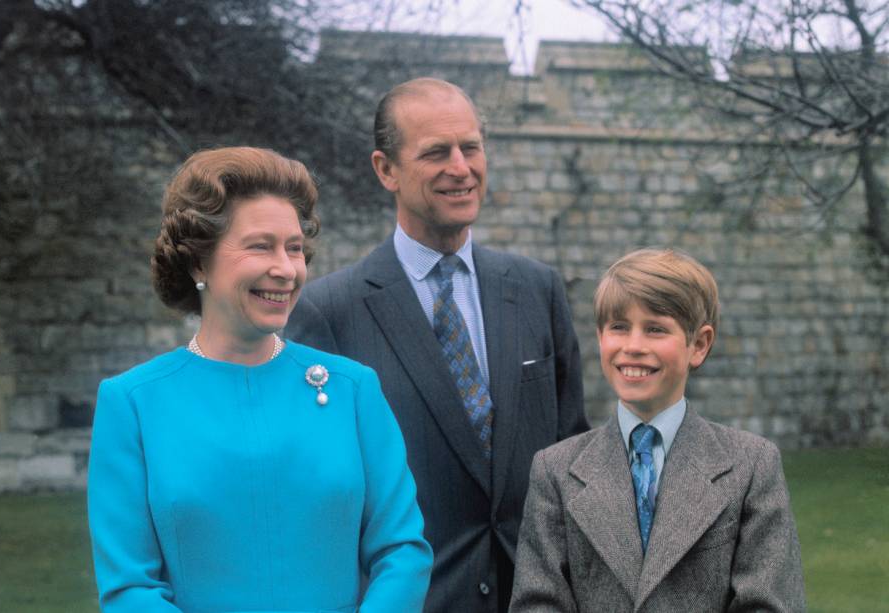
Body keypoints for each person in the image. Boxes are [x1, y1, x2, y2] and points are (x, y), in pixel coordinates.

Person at [285, 77, 589, 613]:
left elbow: (573, 454)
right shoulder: (328, 313)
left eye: (470, 147)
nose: (461, 167)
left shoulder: (538, 288)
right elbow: (319, 502)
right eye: (435, 153)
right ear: (386, 170)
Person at [87, 146, 432, 612]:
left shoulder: (354, 390)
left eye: (294, 248)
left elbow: (402, 552)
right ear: (197, 263)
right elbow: (130, 588)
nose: (286, 269)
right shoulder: (131, 403)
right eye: (260, 246)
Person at [509, 247, 806, 612]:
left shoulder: (751, 466)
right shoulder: (555, 470)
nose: (633, 346)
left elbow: (767, 603)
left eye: (655, 329)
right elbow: (539, 602)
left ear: (698, 344)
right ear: (601, 337)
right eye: (619, 327)